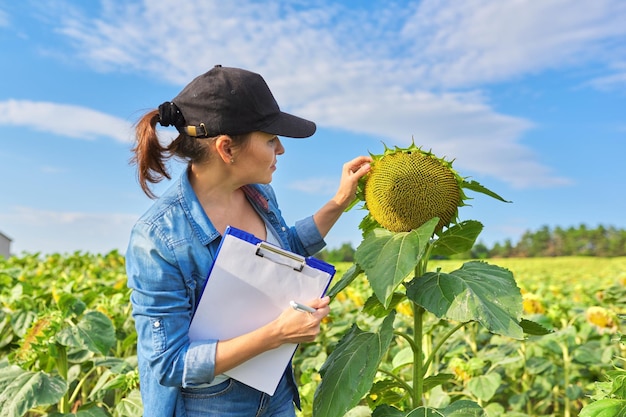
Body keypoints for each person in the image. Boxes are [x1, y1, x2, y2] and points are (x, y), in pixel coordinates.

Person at [125, 65, 372, 417]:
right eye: (271, 139)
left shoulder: (260, 196)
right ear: (227, 148)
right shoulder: (158, 238)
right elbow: (169, 364)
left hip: (276, 396)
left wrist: (338, 203)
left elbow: (282, 254)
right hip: (210, 407)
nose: (281, 149)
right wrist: (278, 333)